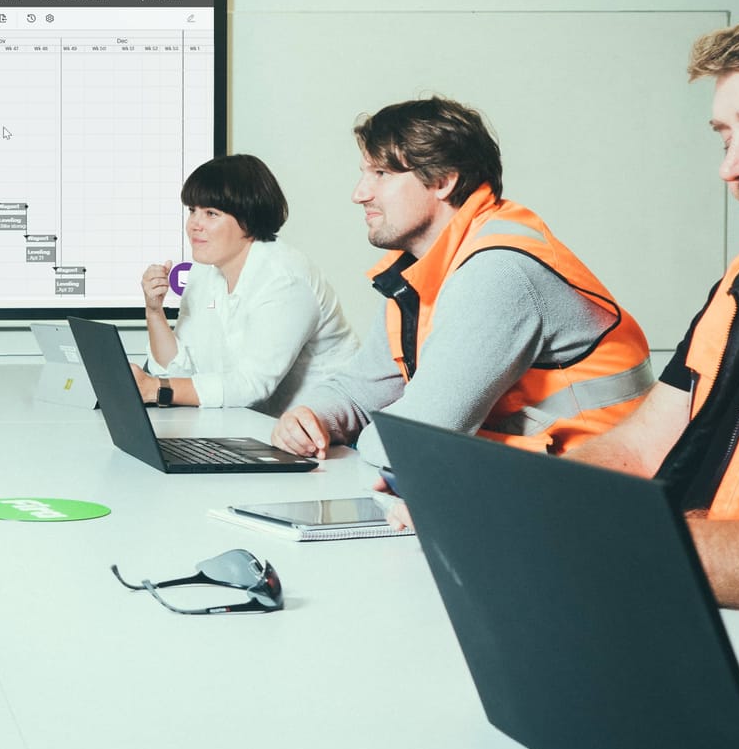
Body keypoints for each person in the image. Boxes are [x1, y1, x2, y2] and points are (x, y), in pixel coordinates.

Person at [572, 0, 739, 619]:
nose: (731, 166)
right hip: (721, 624)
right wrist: (547, 502)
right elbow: (642, 446)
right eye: (725, 135)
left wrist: (631, 544)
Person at [270, 96, 654, 474]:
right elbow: (361, 391)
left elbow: (416, 443)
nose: (360, 193)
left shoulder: (498, 271)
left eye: (381, 174)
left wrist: (358, 435)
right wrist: (310, 417)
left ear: (443, 181)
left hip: (600, 498)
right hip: (531, 490)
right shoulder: (423, 271)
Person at [133, 153, 358, 414]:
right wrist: (154, 312)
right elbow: (180, 370)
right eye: (192, 210)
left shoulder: (283, 279)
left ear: (248, 219)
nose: (194, 224)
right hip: (254, 426)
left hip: (328, 433)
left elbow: (252, 385)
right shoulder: (204, 271)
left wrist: (155, 389)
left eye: (211, 213)